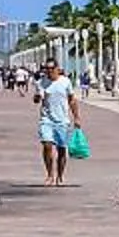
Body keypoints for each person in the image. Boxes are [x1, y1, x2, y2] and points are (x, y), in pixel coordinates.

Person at [37, 58, 80, 186]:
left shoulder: (65, 82)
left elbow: (72, 100)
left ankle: (60, 175)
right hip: (46, 119)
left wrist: (76, 117)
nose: (49, 71)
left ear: (57, 69)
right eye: (47, 69)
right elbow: (37, 99)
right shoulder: (41, 82)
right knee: (47, 145)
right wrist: (37, 97)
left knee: (61, 149)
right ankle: (50, 174)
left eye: (51, 68)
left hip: (62, 120)